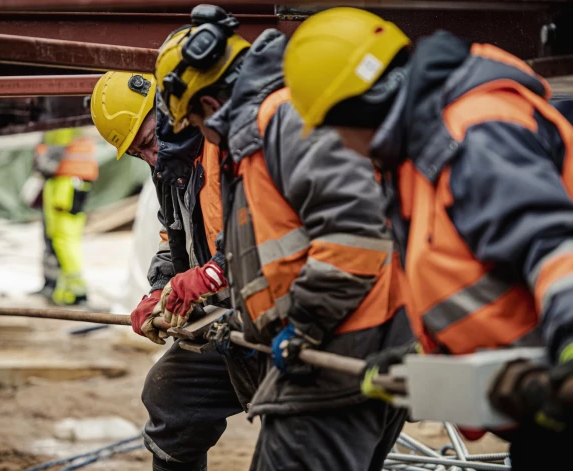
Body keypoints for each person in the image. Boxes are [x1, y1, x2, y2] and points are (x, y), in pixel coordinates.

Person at [283, 7, 573, 469]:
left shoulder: (475, 134)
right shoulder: (421, 153)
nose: (340, 143)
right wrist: (425, 357)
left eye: (334, 128)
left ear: (357, 108)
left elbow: (553, 247)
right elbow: (478, 280)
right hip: (543, 407)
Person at [155, 5, 412, 470]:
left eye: (196, 127)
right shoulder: (261, 133)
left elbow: (356, 235)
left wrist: (302, 327)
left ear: (210, 107)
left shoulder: (285, 120)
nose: (202, 140)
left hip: (338, 351)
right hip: (343, 346)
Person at [90, 70, 260, 471]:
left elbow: (266, 235)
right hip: (234, 318)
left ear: (171, 112)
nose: (150, 157)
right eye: (137, 154)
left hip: (278, 312)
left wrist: (213, 275)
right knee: (171, 394)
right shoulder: (169, 169)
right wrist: (159, 291)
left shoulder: (232, 147)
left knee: (290, 444)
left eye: (148, 142)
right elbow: (174, 243)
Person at [32, 128, 98, 306]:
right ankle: (65, 289)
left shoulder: (60, 123)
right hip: (69, 183)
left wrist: (39, 167)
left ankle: (76, 291)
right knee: (64, 240)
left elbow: (51, 156)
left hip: (64, 185)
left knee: (63, 239)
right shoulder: (72, 122)